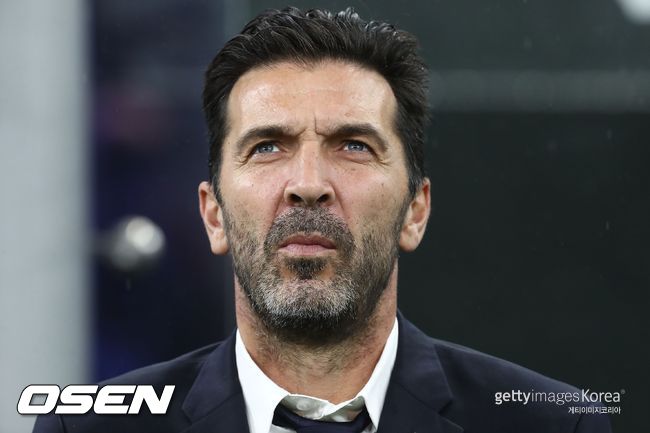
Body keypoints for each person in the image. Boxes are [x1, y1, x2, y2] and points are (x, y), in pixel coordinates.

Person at [34, 6, 612, 433]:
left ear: (415, 211)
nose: (308, 184)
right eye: (267, 147)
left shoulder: (555, 425)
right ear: (213, 215)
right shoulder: (86, 430)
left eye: (353, 146)